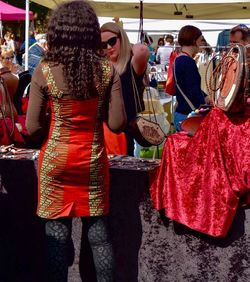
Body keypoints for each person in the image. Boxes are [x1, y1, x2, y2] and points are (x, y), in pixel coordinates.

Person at [26, 1, 126, 281]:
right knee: (99, 238)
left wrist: (54, 123)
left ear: (58, 32)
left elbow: (31, 128)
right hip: (91, 162)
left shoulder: (44, 71)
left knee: (56, 238)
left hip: (56, 162)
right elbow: (117, 124)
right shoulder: (107, 71)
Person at [101, 22, 149, 156]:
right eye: (103, 44)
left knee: (123, 171)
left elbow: (143, 50)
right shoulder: (101, 67)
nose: (109, 47)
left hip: (124, 131)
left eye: (112, 41)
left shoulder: (131, 64)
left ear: (121, 38)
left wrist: (126, 46)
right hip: (102, 131)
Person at [173, 25, 206, 131]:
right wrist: (205, 107)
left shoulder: (178, 59)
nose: (201, 43)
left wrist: (205, 96)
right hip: (189, 117)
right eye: (200, 40)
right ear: (194, 40)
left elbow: (187, 86)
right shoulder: (188, 61)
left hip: (181, 113)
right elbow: (193, 91)